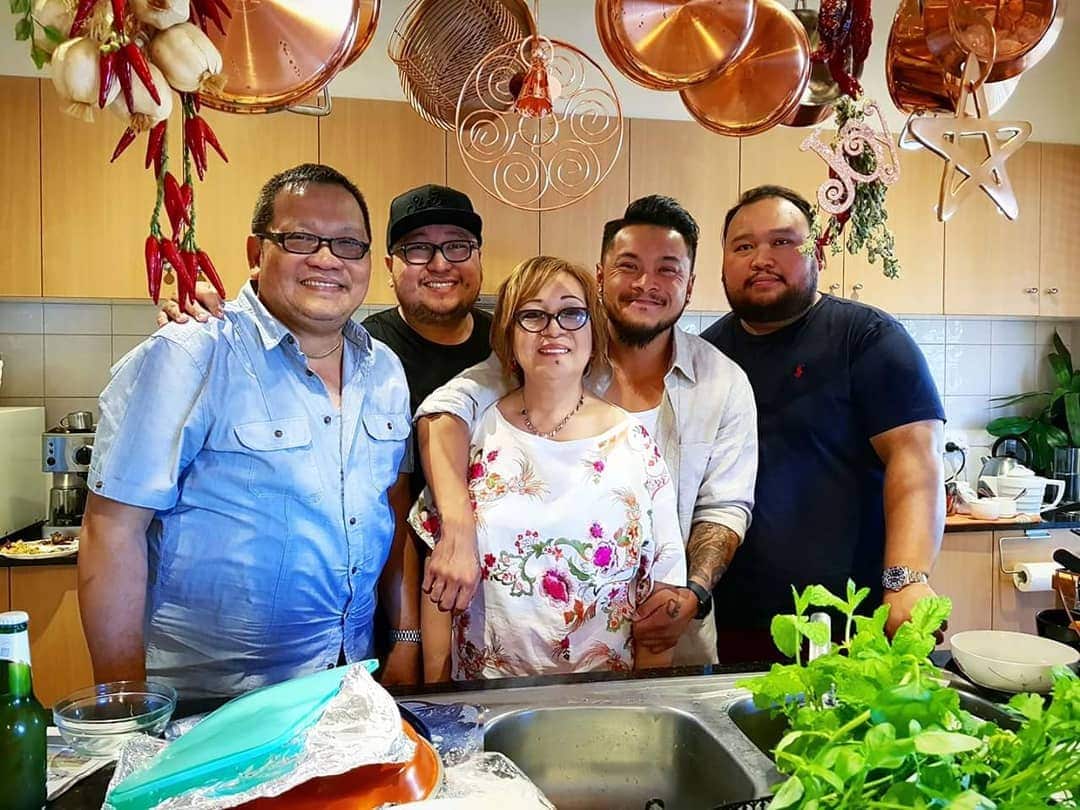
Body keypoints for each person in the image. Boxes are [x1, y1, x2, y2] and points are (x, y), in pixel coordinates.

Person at [79, 164, 420, 697]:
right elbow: (112, 530)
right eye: (301, 238)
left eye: (348, 244)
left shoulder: (385, 371)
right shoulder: (191, 353)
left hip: (349, 685)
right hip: (209, 700)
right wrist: (125, 708)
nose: (327, 258)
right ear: (255, 252)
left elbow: (390, 510)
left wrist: (403, 637)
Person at [415, 196, 758, 666]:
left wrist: (691, 591)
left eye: (667, 270)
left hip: (656, 645)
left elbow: (725, 507)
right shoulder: (520, 382)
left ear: (691, 284)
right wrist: (457, 526)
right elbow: (445, 409)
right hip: (487, 680)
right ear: (601, 276)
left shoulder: (720, 385)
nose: (646, 283)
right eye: (629, 265)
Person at [411, 256, 687, 680]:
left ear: (594, 331)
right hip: (486, 698)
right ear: (508, 334)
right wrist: (437, 687)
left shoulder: (634, 445)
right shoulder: (475, 434)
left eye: (572, 313)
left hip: (605, 697)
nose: (553, 328)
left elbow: (661, 592)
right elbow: (440, 573)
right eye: (533, 315)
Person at [701, 185, 946, 662]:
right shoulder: (708, 357)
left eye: (783, 242)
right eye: (744, 246)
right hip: (733, 623)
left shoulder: (868, 338)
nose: (761, 258)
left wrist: (907, 579)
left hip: (854, 623)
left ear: (818, 253)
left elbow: (916, 460)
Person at [158, 183, 494, 500]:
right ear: (389, 268)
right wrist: (201, 311)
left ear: (479, 259)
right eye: (418, 248)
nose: (440, 264)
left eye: (458, 246)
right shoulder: (361, 357)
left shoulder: (515, 346)